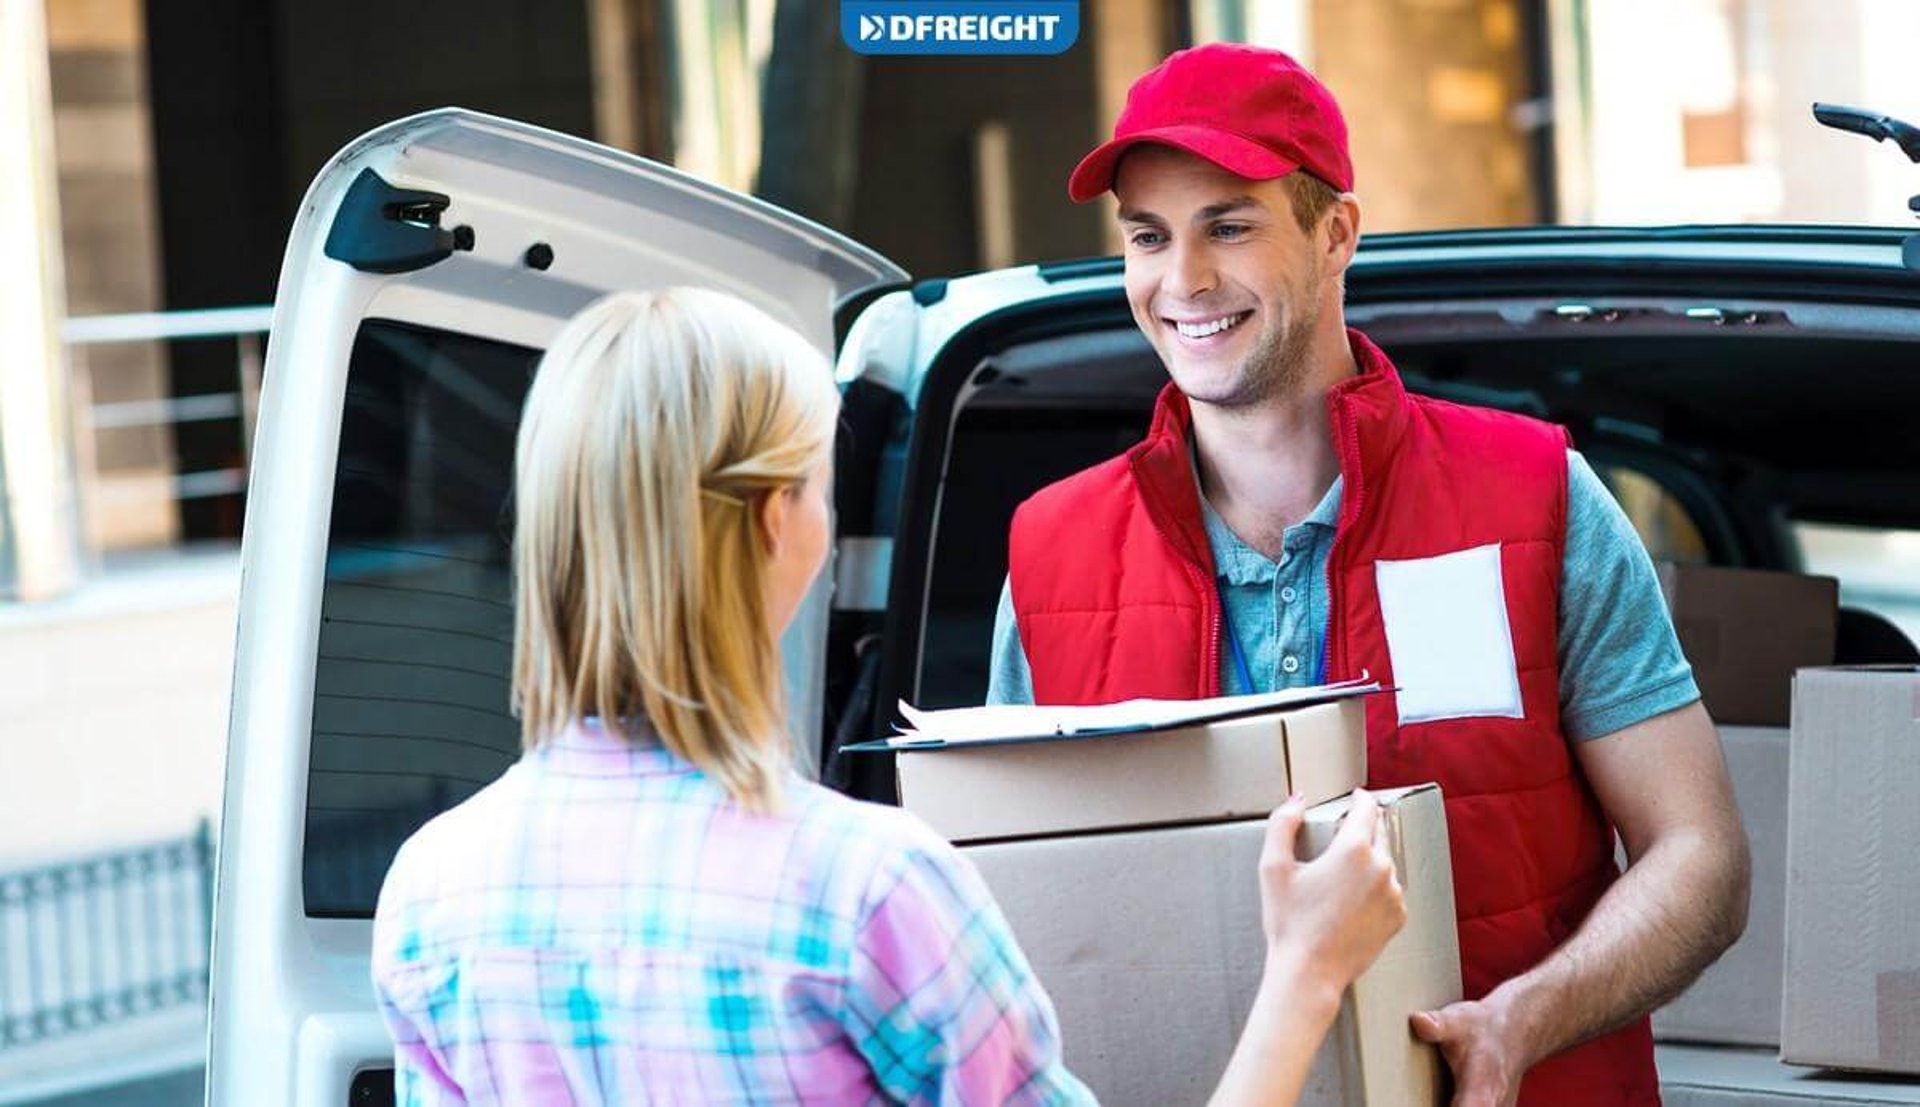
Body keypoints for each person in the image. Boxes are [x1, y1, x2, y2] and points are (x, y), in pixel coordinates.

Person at [371, 287, 1406, 1105]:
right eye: (823, 485)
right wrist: (1308, 971)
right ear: (777, 520)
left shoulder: (431, 892)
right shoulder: (864, 888)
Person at [987, 44, 1752, 1107]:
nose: (1184, 282)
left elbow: (1701, 858)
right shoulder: (1050, 554)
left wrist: (1523, 1022)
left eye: (1230, 226)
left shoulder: (1535, 500)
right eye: (1149, 238)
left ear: (1336, 232)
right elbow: (1023, 928)